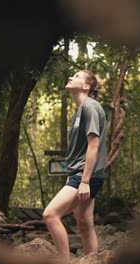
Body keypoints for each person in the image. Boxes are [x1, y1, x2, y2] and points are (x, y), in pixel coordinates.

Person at [42, 70, 107, 263]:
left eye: (77, 76)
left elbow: (94, 144)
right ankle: (92, 261)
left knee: (51, 214)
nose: (71, 77)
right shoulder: (80, 110)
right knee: (85, 224)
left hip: (88, 176)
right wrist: (72, 175)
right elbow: (81, 150)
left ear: (86, 87)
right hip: (79, 174)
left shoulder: (90, 107)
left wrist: (84, 181)